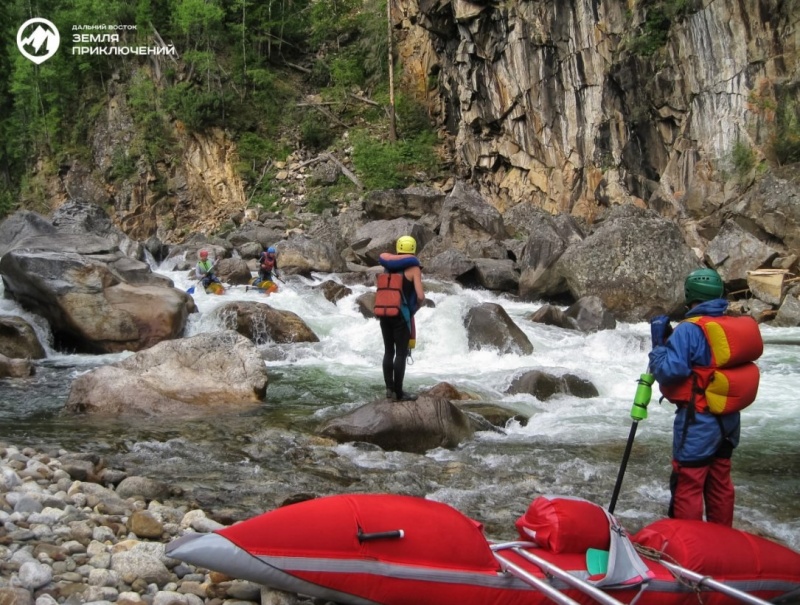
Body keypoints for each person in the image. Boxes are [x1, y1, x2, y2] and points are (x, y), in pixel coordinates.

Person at [648, 268, 762, 526]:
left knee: (688, 481)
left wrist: (658, 348)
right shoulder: (730, 321)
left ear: (690, 295)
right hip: (729, 419)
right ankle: (721, 546)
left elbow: (671, 371)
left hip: (698, 419)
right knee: (720, 482)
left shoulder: (689, 330)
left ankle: (687, 548)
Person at [375, 235, 425, 402]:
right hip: (401, 316)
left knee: (389, 351)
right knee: (401, 354)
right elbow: (420, 296)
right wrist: (414, 309)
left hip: (384, 314)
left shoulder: (388, 267)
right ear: (413, 250)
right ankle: (399, 392)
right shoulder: (414, 269)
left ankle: (389, 389)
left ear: (398, 248)